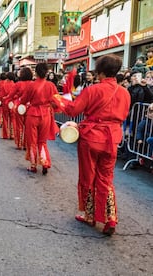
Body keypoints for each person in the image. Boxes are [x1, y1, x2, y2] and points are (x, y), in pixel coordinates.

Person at [56, 54, 131, 235]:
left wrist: (58, 99)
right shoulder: (125, 93)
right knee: (106, 178)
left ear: (100, 71)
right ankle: (110, 217)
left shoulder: (93, 90)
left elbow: (73, 110)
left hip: (91, 138)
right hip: (112, 138)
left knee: (88, 177)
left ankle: (90, 216)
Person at [20, 63, 59, 175]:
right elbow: (57, 101)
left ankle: (33, 165)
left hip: (32, 115)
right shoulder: (51, 85)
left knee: (32, 142)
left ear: (35, 72)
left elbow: (23, 100)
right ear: (47, 72)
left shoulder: (31, 85)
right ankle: (45, 162)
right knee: (42, 142)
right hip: (46, 115)